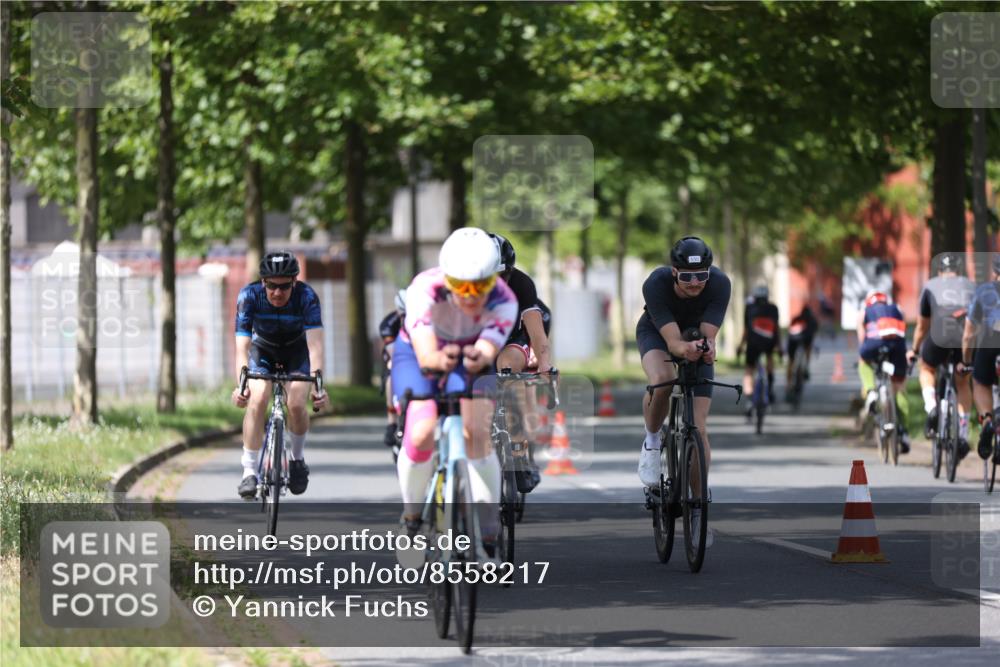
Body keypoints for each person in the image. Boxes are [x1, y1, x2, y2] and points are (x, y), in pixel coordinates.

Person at [392, 227, 518, 552]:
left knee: (476, 431)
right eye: (461, 286)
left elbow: (488, 352)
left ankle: (489, 529)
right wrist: (436, 358)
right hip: (420, 353)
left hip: (467, 356)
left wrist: (480, 356)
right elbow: (426, 353)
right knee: (420, 431)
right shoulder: (425, 288)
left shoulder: (505, 299)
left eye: (481, 286)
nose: (471, 295)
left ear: (495, 279)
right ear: (446, 280)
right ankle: (411, 514)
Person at [636, 236, 731, 548]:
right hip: (659, 333)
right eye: (687, 276)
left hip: (694, 334)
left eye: (701, 275)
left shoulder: (719, 284)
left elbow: (708, 336)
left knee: (699, 428)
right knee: (663, 380)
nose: (695, 283)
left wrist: (705, 349)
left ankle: (698, 506)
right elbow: (674, 344)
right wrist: (683, 349)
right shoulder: (656, 284)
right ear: (674, 271)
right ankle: (651, 442)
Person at [232, 251, 329, 499]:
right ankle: (249, 471)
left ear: (294, 282)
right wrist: (241, 385)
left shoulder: (307, 297)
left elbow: (315, 346)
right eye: (271, 286)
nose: (277, 292)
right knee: (258, 397)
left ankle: (297, 460)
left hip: (296, 351)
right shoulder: (249, 296)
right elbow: (242, 347)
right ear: (262, 282)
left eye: (284, 287)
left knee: (296, 402)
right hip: (262, 349)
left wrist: (318, 387)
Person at [489, 232, 553, 494]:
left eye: (501, 276)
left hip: (511, 339)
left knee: (509, 371)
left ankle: (518, 452)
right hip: (473, 339)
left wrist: (545, 367)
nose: (495, 284)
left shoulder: (522, 284)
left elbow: (538, 336)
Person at [906, 253, 974, 459]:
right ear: (960, 271)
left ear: (939, 272)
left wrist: (915, 350)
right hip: (965, 336)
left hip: (940, 335)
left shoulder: (930, 286)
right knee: (962, 381)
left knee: (926, 367)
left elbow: (922, 326)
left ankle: (932, 406)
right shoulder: (971, 286)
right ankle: (962, 434)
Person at [857, 289, 911, 454]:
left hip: (873, 343)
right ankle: (904, 433)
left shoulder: (864, 311)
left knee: (863, 361)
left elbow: (862, 337)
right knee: (900, 387)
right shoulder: (897, 309)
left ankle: (871, 391)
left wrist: (866, 352)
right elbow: (903, 330)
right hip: (896, 347)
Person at [960, 255, 1000, 461]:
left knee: (980, 381)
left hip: (991, 340)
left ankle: (987, 420)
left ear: (995, 273)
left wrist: (967, 361)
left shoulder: (984, 291)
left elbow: (968, 334)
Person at [737, 284, 782, 409]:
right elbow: (776, 329)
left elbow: (746, 329)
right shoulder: (774, 308)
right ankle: (770, 389)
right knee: (769, 358)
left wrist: (740, 346)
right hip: (769, 342)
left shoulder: (749, 307)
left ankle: (749, 400)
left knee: (749, 371)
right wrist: (780, 347)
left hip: (753, 343)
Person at [379, 289, 407, 456]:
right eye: (404, 315)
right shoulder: (389, 324)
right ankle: (391, 422)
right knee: (392, 372)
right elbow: (395, 353)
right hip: (396, 356)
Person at [785, 304, 819, 397]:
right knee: (808, 348)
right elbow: (813, 335)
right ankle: (806, 367)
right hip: (805, 339)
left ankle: (788, 384)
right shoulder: (812, 320)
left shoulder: (796, 318)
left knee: (791, 361)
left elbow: (790, 330)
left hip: (792, 340)